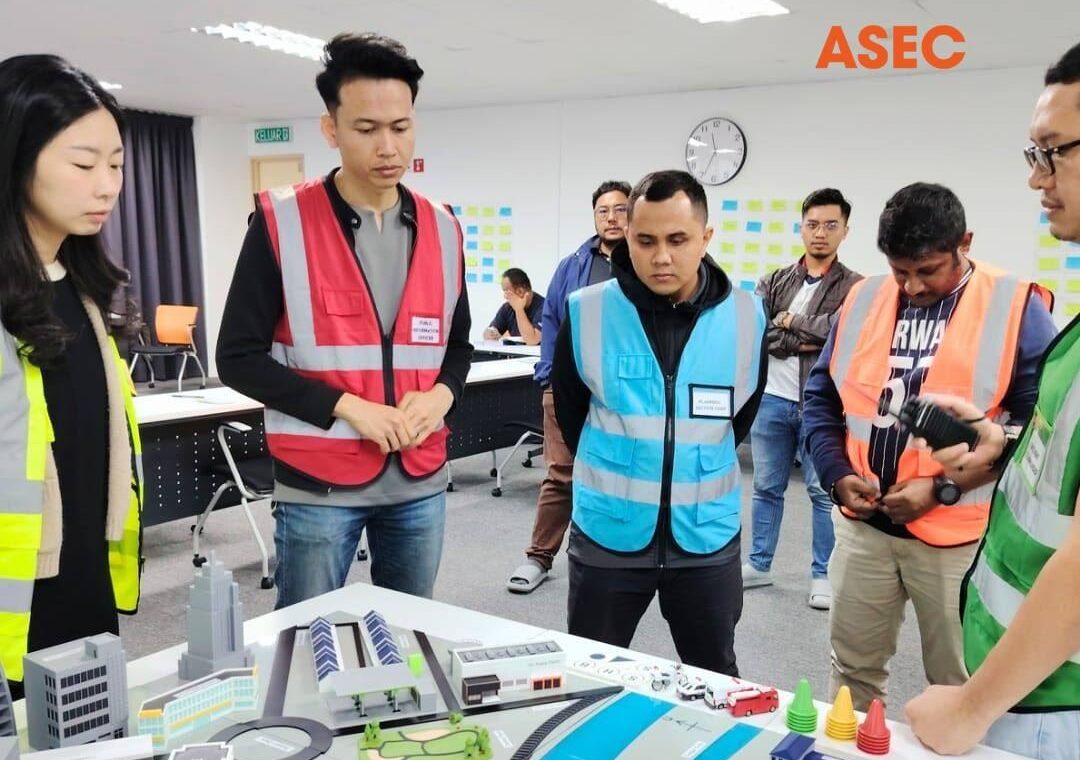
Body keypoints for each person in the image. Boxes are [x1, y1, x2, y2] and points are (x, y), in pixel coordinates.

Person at [216, 33, 472, 608]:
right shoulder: (281, 221)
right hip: (318, 484)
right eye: (366, 129)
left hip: (420, 478)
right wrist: (350, 407)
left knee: (411, 633)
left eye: (401, 127)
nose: (388, 147)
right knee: (307, 636)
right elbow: (236, 358)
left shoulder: (444, 227)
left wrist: (442, 396)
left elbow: (457, 347)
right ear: (330, 129)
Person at [803, 182, 1056, 710]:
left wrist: (940, 489)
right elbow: (822, 397)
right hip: (864, 529)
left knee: (961, 683)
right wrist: (835, 474)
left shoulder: (1015, 305)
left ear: (964, 243)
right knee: (851, 672)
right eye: (900, 271)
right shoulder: (863, 297)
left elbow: (1039, 429)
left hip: (958, 538)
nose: (913, 286)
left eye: (928, 270)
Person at [905, 41, 1080, 758]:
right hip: (1025, 679)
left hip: (1052, 701)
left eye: (1053, 152)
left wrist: (971, 709)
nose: (1036, 177)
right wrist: (1003, 447)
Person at [551, 170, 767, 673]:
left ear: (705, 238)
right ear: (627, 236)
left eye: (678, 239)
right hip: (609, 533)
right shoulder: (587, 311)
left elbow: (739, 418)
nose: (661, 256)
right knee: (590, 673)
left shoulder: (746, 315)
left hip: (706, 538)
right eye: (646, 241)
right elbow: (570, 413)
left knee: (715, 679)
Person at [0, 55, 142, 696]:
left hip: (82, 585)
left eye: (115, 165)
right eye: (84, 166)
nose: (107, 186)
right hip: (16, 609)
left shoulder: (82, 293)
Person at [505, 180, 629, 594]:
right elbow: (552, 322)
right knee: (560, 474)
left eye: (620, 209)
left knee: (617, 474)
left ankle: (609, 558)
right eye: (603, 211)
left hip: (623, 393)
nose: (611, 218)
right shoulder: (572, 265)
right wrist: (549, 376)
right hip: (568, 386)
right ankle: (538, 557)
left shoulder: (644, 264)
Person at [743, 188, 862, 610]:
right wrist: (807, 335)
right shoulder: (774, 280)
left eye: (830, 225)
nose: (820, 233)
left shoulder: (855, 287)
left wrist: (790, 321)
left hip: (821, 405)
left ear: (845, 230)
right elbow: (759, 332)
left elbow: (842, 332)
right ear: (801, 228)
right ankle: (758, 564)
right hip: (771, 399)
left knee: (822, 491)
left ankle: (822, 574)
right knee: (765, 486)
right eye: (812, 224)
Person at [482, 268, 544, 345]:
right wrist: (489, 333)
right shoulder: (507, 307)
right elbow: (492, 329)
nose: (505, 296)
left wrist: (519, 310)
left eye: (507, 292)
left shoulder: (544, 308)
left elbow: (532, 341)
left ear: (520, 291)